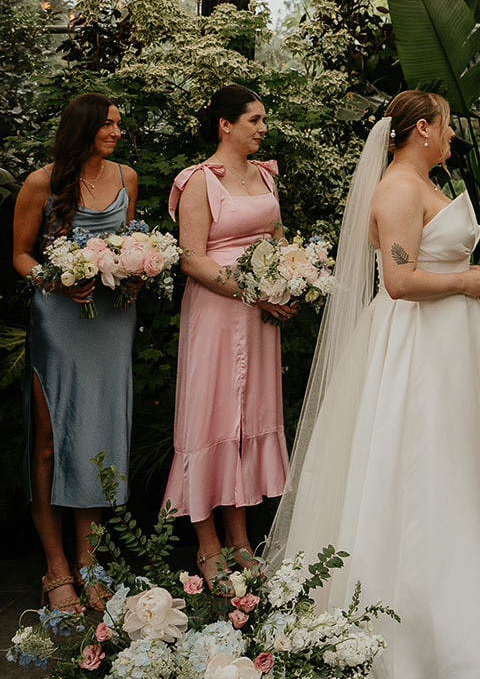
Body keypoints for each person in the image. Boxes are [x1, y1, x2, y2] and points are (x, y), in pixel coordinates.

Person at [267, 89, 480, 679]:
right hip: (419, 346)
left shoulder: (422, 183)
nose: (453, 135)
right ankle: (419, 640)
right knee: (423, 470)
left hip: (454, 343)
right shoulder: (399, 191)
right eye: (447, 125)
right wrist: (467, 280)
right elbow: (400, 281)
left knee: (462, 469)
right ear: (423, 129)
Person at [162, 84, 295, 586]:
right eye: (254, 120)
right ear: (226, 125)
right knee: (210, 416)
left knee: (246, 418)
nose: (263, 128)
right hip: (217, 312)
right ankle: (207, 544)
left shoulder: (265, 175)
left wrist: (293, 277)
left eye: (263, 119)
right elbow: (191, 258)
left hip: (260, 318)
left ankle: (240, 538)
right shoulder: (199, 180)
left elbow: (277, 238)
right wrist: (253, 292)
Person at [13, 93, 139, 613]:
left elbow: (130, 245)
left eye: (118, 124)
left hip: (111, 322)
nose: (116, 132)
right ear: (83, 128)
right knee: (49, 443)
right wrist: (55, 281)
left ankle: (89, 565)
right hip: (59, 321)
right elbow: (20, 255)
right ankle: (56, 566)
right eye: (107, 124)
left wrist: (136, 274)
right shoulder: (40, 182)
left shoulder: (127, 177)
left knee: (96, 441)